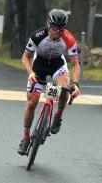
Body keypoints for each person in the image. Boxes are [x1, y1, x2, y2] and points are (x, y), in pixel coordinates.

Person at [17, 9, 81, 155]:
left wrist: (76, 84)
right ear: (48, 24)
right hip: (39, 65)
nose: (58, 31)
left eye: (62, 27)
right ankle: (26, 138)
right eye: (55, 27)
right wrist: (31, 73)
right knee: (32, 103)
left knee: (65, 87)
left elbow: (75, 64)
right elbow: (25, 58)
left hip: (57, 65)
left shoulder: (69, 39)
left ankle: (58, 115)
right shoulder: (38, 36)